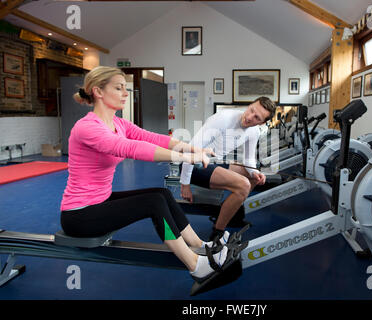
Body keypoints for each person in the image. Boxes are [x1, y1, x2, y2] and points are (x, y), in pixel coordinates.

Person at [60, 66, 233, 284]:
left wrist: (192, 149)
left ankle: (200, 246)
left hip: (100, 201)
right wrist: (185, 158)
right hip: (79, 215)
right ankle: (195, 265)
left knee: (161, 194)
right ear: (98, 91)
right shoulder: (87, 127)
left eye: (126, 88)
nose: (125, 93)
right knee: (152, 203)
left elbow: (152, 138)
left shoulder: (118, 124)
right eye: (119, 88)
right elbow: (129, 148)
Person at [180, 97, 276, 241]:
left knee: (253, 177)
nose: (249, 117)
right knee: (243, 185)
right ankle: (218, 231)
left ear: (262, 122)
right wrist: (185, 184)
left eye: (257, 117)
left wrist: (255, 172)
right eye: (251, 110)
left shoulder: (254, 131)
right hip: (195, 164)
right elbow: (192, 149)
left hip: (217, 162)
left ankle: (231, 212)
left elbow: (249, 160)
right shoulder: (223, 118)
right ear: (249, 105)